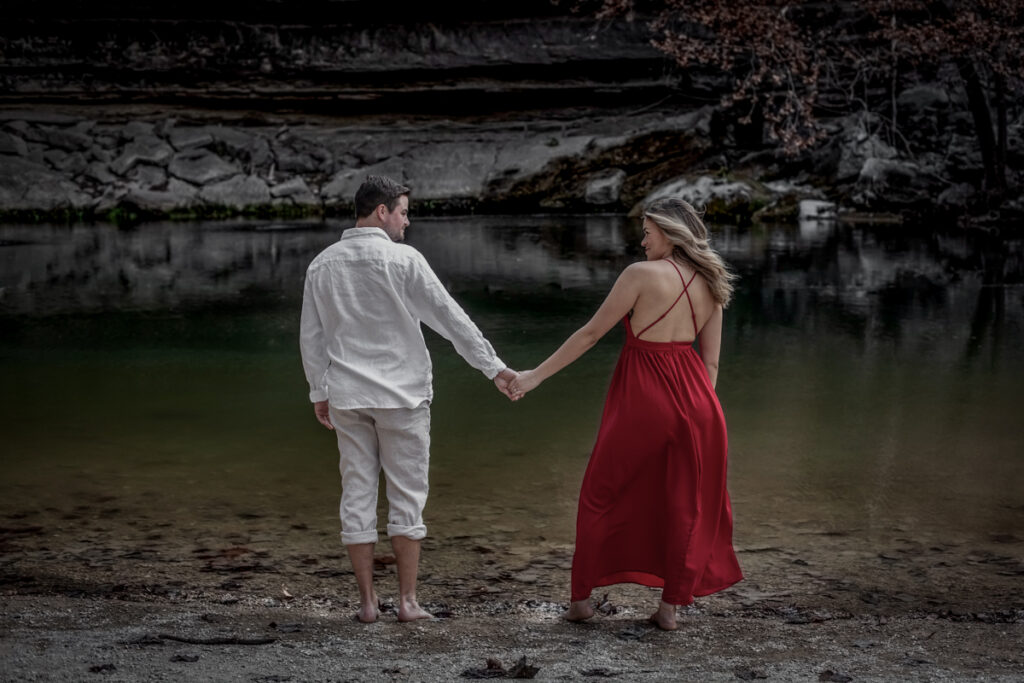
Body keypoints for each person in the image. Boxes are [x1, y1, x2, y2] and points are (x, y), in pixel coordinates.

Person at [508, 197, 743, 630]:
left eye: (648, 231)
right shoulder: (712, 281)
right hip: (700, 405)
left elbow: (591, 333)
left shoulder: (640, 275)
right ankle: (669, 610)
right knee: (683, 504)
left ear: (670, 233)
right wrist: (690, 412)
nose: (641, 239)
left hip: (644, 398)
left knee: (600, 494)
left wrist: (535, 376)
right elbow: (711, 364)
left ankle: (580, 601)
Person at [300, 175, 517, 623]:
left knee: (356, 490)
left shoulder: (322, 264)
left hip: (348, 396)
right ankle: (408, 602)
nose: (407, 220)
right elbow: (449, 319)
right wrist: (493, 368)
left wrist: (319, 392)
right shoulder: (403, 260)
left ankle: (365, 604)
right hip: (402, 396)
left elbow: (312, 337)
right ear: (381, 211)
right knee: (407, 495)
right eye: (402, 211)